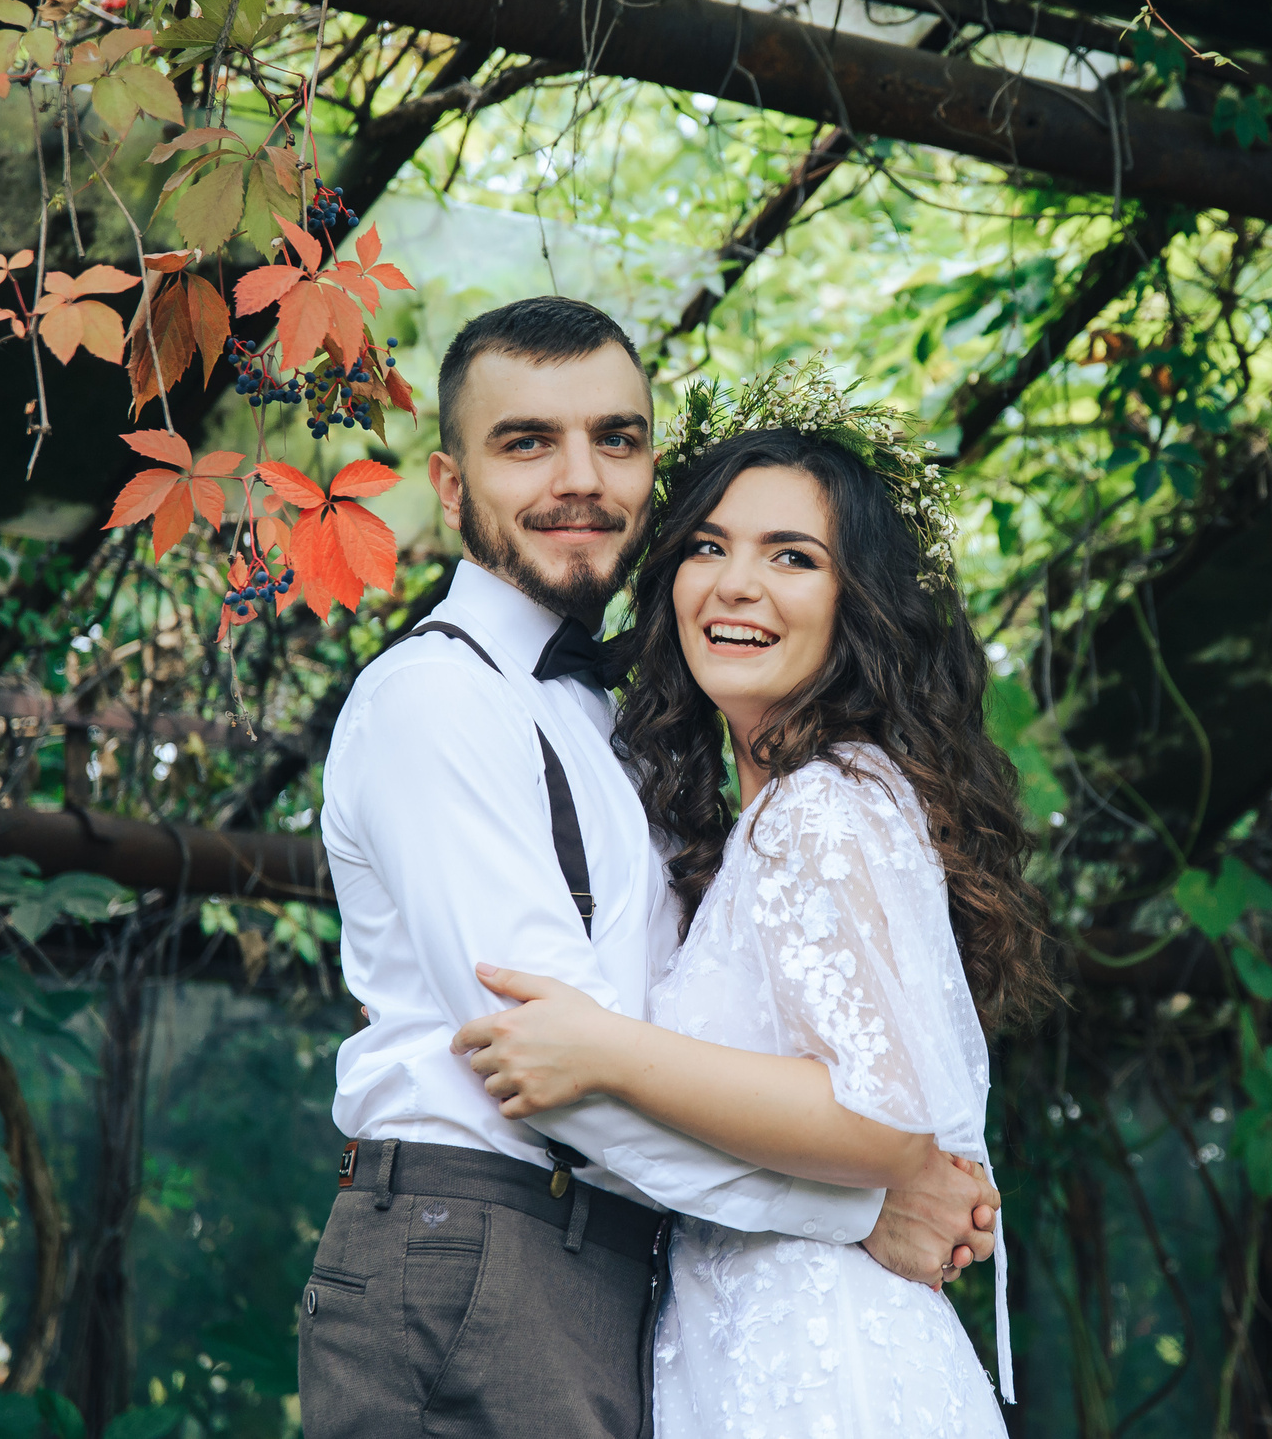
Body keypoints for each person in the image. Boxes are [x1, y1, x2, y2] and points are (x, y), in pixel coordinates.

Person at [303, 300, 1001, 1439]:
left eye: (616, 438)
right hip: (481, 1240)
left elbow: (639, 1044)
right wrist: (860, 1203)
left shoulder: (621, 726)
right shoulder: (436, 701)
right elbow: (545, 1065)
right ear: (446, 481)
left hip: (614, 1263)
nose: (580, 476)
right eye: (526, 441)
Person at [452, 359, 1057, 1439]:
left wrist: (603, 1049)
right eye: (706, 547)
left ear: (857, 602)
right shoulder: (761, 820)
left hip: (823, 1366)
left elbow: (879, 1114)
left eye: (792, 556)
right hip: (750, 1348)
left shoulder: (826, 804)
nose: (736, 583)